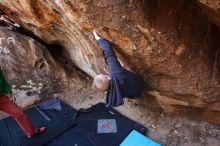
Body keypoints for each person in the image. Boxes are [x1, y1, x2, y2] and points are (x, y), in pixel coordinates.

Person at [92, 30, 144, 107]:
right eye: (101, 75)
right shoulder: (115, 72)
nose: (100, 74)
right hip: (139, 81)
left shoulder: (113, 93)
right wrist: (99, 39)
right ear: (108, 77)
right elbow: (109, 53)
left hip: (136, 94)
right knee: (128, 69)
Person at [0, 67, 46, 138]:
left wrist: (8, 91)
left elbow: (1, 77)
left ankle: (32, 131)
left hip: (1, 97)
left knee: (19, 113)